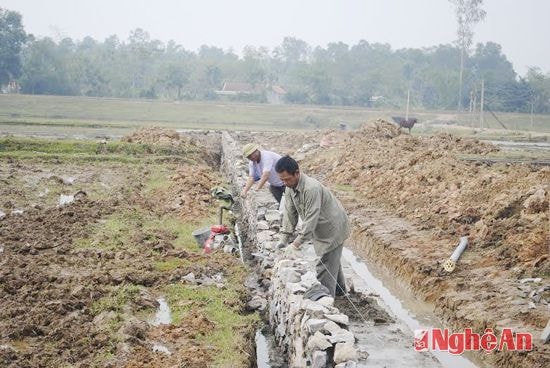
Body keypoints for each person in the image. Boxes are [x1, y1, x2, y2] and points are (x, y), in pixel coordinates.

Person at [275, 155, 350, 297]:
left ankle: (325, 300)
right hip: (321, 227)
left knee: (325, 264)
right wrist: (283, 239)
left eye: (287, 179)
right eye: (281, 180)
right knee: (332, 260)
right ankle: (340, 292)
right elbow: (290, 214)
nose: (284, 183)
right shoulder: (290, 188)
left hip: (332, 226)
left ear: (297, 173)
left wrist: (296, 244)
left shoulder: (311, 188)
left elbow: (311, 219)